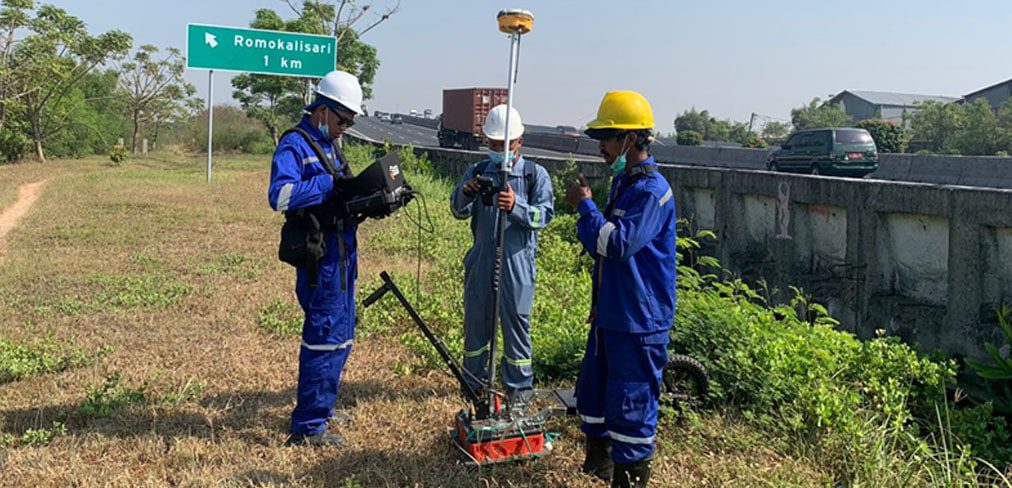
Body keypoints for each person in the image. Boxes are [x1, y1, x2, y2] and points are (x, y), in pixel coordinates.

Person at [565, 91, 677, 487]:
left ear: (630, 138)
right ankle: (599, 465)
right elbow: (601, 250)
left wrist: (585, 207)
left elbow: (616, 244)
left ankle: (628, 479)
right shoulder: (626, 184)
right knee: (594, 394)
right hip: (612, 312)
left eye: (607, 137)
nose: (601, 146)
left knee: (632, 406)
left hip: (638, 320)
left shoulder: (651, 192)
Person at [267, 70, 364, 447]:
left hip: (342, 253)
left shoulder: (330, 144)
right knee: (323, 337)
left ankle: (322, 408)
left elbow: (342, 190)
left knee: (341, 336)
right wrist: (325, 184)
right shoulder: (295, 144)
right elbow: (280, 196)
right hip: (320, 258)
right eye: (343, 120)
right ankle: (308, 427)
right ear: (323, 111)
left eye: (350, 122)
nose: (345, 128)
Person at [449, 104, 554, 406]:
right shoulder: (479, 171)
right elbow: (457, 210)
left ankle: (519, 389)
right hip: (482, 261)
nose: (499, 150)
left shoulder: (535, 176)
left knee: (516, 326)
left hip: (517, 266)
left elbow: (544, 216)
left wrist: (516, 206)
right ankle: (474, 383)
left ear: (519, 141)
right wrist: (467, 193)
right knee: (476, 325)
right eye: (494, 145)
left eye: (504, 145)